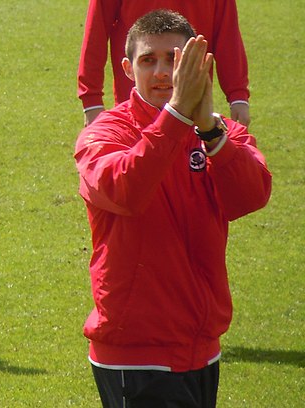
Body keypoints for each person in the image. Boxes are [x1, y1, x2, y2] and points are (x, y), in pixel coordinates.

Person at [75, 10, 271, 407]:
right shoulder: (104, 134)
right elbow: (125, 188)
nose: (163, 72)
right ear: (128, 69)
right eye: (149, 60)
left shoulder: (218, 132)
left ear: (197, 66)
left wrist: (211, 132)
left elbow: (252, 196)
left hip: (202, 344)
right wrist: (177, 116)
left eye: (175, 60)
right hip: (135, 351)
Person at [78, 0, 251, 127]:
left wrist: (238, 96)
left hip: (191, 106)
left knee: (191, 172)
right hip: (136, 112)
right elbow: (96, 33)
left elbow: (227, 34)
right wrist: (92, 102)